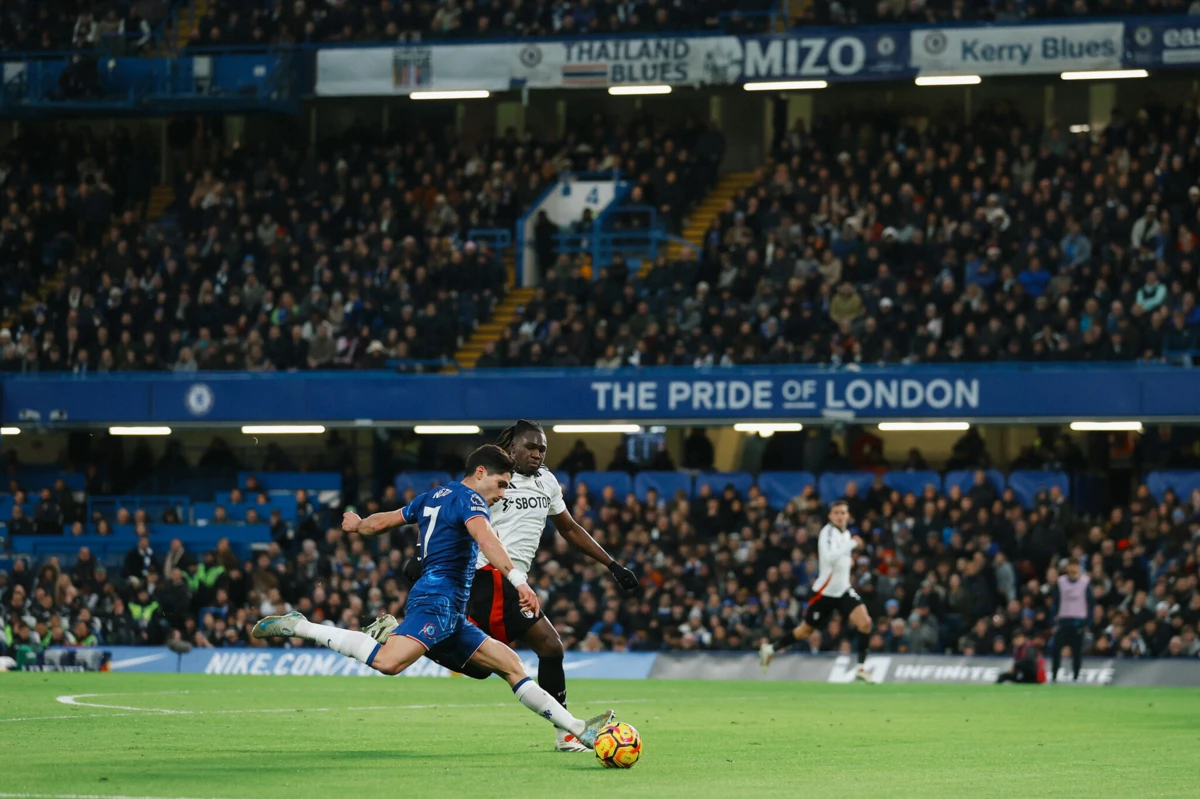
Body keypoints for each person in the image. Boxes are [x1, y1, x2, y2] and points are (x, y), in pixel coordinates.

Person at [252, 444, 616, 748]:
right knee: (388, 663)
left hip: (451, 609)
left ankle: (579, 729)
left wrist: (359, 524)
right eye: (501, 483)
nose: (503, 492)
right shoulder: (470, 501)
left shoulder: (433, 496)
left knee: (512, 666)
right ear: (479, 473)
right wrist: (520, 581)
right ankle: (303, 627)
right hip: (437, 600)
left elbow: (386, 521)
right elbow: (488, 541)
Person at [368, 420, 640, 752]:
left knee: (536, 652)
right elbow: (453, 518)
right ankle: (403, 635)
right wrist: (420, 554)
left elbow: (569, 528)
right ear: (511, 448)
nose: (537, 453)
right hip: (486, 578)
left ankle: (565, 734)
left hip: (512, 581)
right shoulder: (491, 485)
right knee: (508, 660)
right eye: (531, 447)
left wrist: (612, 564)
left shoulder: (548, 483)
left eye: (542, 448)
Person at [758, 499, 873, 682]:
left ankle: (860, 668)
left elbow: (840, 559)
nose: (840, 516)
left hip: (842, 590)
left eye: (843, 513)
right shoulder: (827, 533)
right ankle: (770, 649)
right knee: (805, 631)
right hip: (824, 593)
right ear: (830, 515)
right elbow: (829, 557)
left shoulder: (846, 534)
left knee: (865, 622)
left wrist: (848, 561)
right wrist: (851, 545)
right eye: (836, 513)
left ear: (848, 515)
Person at [1052, 558, 1091, 682]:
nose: (1073, 569)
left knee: (1077, 651)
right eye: (1071, 566)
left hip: (1078, 620)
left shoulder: (1085, 582)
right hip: (1063, 619)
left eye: (1075, 566)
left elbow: (1091, 602)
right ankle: (1054, 676)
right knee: (1056, 648)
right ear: (1067, 568)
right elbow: (1055, 602)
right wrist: (1054, 620)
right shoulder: (1061, 582)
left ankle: (1076, 676)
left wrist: (1088, 621)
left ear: (1079, 568)